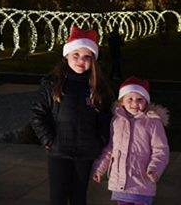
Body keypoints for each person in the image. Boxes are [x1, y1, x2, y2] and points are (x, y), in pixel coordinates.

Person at [30, 26, 112, 205]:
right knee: (57, 197)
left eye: (87, 56)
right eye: (76, 54)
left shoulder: (97, 88)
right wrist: (49, 140)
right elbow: (38, 113)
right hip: (59, 150)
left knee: (78, 197)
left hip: (86, 151)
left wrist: (99, 140)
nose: (81, 60)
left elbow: (105, 116)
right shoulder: (52, 84)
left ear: (93, 60)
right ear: (66, 55)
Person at [92, 77, 169, 205]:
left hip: (142, 180)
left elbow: (161, 150)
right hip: (120, 180)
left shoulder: (153, 123)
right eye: (130, 99)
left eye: (140, 99)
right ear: (122, 101)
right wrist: (100, 169)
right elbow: (109, 148)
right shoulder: (116, 121)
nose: (135, 103)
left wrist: (155, 169)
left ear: (146, 102)